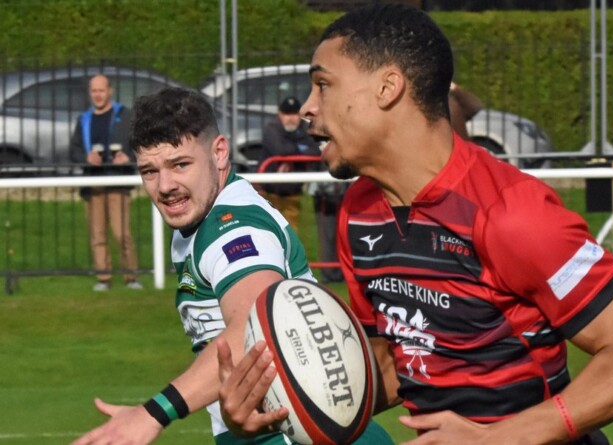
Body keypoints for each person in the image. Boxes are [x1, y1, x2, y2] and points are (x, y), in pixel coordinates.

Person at [216, 4, 613, 445]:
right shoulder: (359, 212)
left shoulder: (512, 213)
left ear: (388, 87)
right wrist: (279, 401)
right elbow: (397, 360)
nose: (307, 108)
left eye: (324, 85)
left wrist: (500, 438)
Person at [71, 88, 392, 445]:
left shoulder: (233, 229)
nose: (165, 186)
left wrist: (154, 413)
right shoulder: (206, 214)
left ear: (220, 152)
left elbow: (257, 327)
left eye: (180, 165)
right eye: (149, 171)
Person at [68, 74, 141, 292]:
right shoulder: (84, 119)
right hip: (93, 182)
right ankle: (103, 278)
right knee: (97, 234)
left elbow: (139, 143)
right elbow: (74, 149)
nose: (97, 95)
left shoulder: (125, 115)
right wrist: (86, 158)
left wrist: (128, 157)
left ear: (110, 91)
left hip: (118, 181)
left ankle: (131, 277)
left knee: (122, 234)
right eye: (94, 91)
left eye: (101, 90)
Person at [259, 96, 319, 232]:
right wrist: (300, 149)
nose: (290, 118)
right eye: (286, 114)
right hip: (270, 192)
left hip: (293, 192)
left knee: (291, 232)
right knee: (270, 231)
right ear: (280, 115)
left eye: (294, 114)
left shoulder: (305, 128)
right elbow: (280, 150)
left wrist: (289, 156)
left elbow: (316, 151)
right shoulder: (272, 128)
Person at [308, 176, 348, 283]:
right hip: (325, 194)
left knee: (341, 234)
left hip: (340, 192)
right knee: (328, 235)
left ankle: (339, 272)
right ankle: (329, 273)